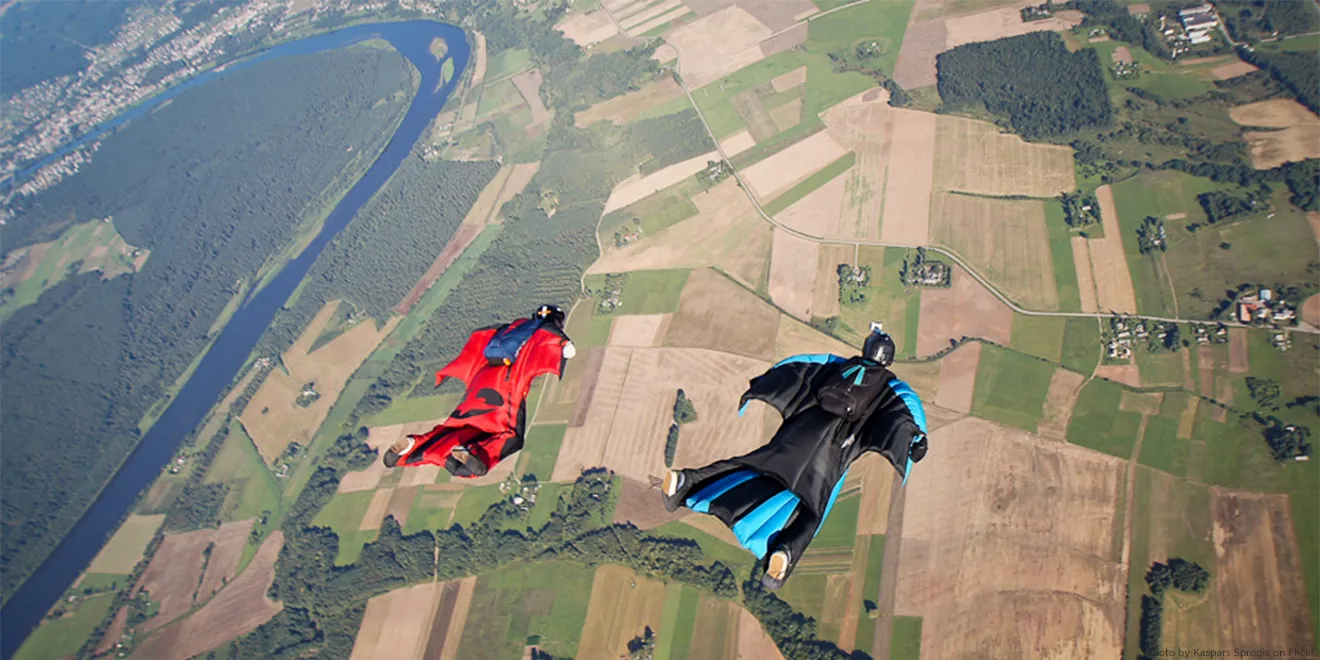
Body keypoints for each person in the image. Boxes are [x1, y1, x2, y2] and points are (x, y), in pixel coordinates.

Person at [660, 322, 928, 589]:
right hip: (829, 459)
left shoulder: (832, 366)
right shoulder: (895, 393)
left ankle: (684, 481)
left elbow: (792, 368)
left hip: (794, 437)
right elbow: (910, 423)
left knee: (744, 466)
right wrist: (916, 446)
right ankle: (784, 556)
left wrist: (760, 385)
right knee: (811, 514)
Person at [383, 304, 576, 477]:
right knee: (510, 438)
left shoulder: (510, 329)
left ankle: (408, 449)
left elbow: (482, 337)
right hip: (504, 386)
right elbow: (554, 342)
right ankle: (468, 453)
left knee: (454, 429)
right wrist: (565, 345)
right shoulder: (543, 331)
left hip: (479, 381)